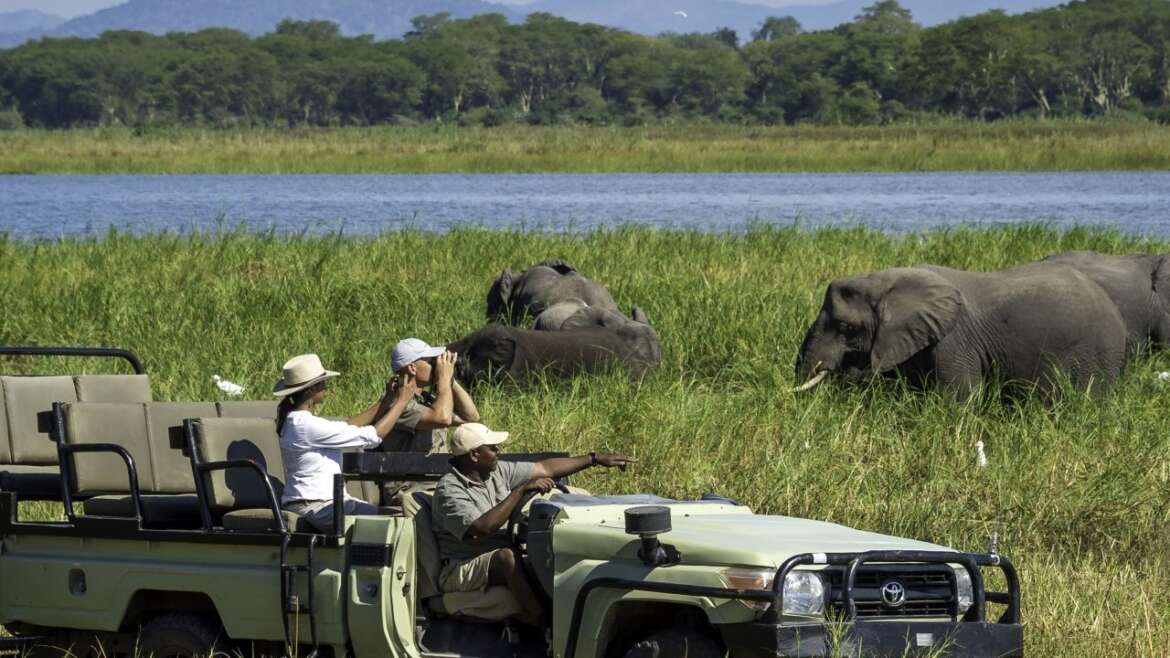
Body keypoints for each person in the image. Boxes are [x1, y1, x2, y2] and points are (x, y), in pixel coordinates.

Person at [433, 422, 636, 627]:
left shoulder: (495, 471)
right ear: (475, 455)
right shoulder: (449, 490)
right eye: (493, 448)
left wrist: (594, 459)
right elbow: (483, 528)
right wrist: (519, 491)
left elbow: (544, 468)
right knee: (507, 557)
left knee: (543, 550)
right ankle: (540, 620)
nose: (498, 452)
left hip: (499, 549)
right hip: (463, 564)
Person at [274, 353, 418, 533]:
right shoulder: (304, 425)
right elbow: (372, 437)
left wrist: (387, 400)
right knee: (396, 524)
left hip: (328, 502)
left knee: (399, 517)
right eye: (323, 383)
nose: (326, 387)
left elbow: (347, 426)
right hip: (314, 505)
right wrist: (402, 401)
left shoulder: (300, 422)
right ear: (311, 389)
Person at [385, 338, 481, 454]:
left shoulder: (425, 400)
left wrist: (450, 380)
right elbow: (442, 418)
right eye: (431, 362)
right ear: (412, 368)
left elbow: (470, 418)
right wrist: (443, 378)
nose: (436, 366)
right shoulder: (397, 402)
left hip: (435, 469)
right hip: (411, 470)